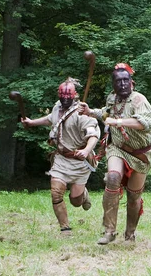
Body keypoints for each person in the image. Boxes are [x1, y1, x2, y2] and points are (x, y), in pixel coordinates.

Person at [78, 63, 151, 245]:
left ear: (132, 82)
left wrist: (118, 121)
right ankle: (109, 230)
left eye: (125, 80)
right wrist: (90, 112)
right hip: (118, 148)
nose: (122, 84)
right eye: (118, 81)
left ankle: (130, 234)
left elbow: (146, 123)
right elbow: (106, 114)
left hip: (140, 154)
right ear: (113, 84)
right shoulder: (112, 99)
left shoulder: (139, 100)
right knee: (112, 178)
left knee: (134, 197)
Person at [21, 78, 100, 235]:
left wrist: (86, 150)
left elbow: (93, 135)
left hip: (80, 161)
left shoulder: (81, 112)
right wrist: (31, 122)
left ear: (74, 95)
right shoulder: (57, 107)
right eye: (62, 96)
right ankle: (65, 228)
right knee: (56, 193)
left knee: (75, 201)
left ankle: (82, 195)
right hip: (61, 159)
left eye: (68, 96)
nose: (64, 99)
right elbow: (51, 119)